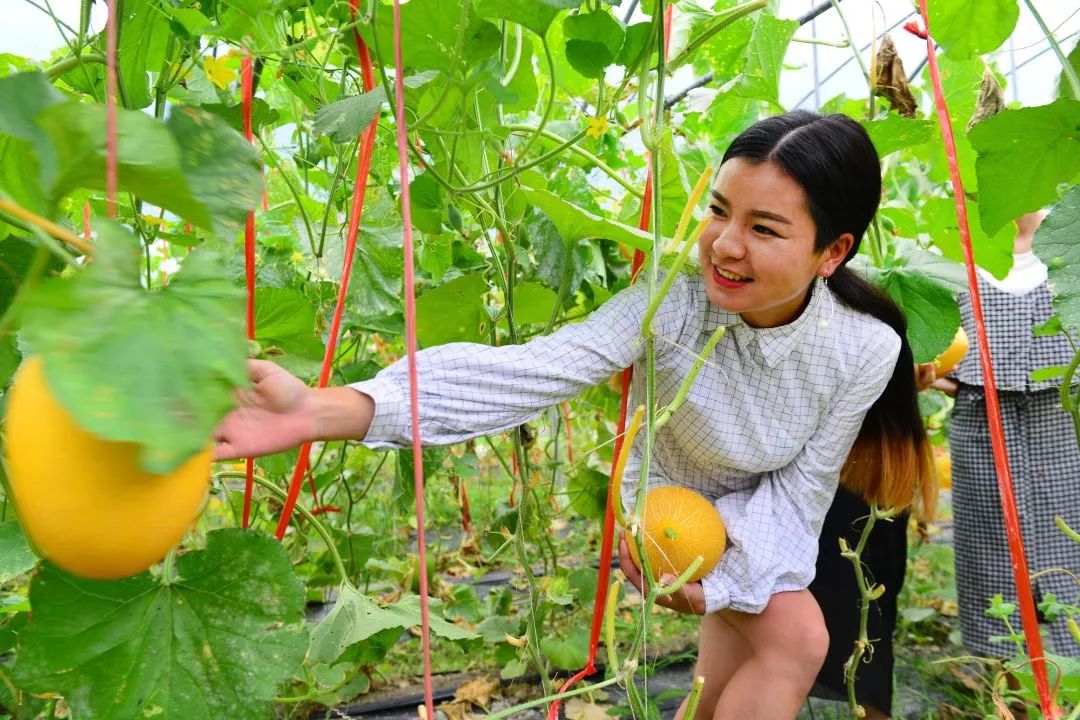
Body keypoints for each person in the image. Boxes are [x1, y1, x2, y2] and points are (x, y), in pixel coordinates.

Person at [214, 111, 937, 720]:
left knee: (741, 661)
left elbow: (800, 493)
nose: (724, 244)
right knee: (798, 640)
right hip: (671, 506)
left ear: (832, 251)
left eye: (765, 228)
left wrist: (721, 580)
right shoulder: (671, 300)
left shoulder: (865, 347)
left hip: (764, 515)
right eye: (719, 211)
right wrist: (318, 409)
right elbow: (533, 371)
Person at [934, 210, 1080, 667]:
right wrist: (943, 373)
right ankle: (1009, 681)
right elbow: (938, 338)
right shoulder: (957, 248)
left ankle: (1069, 676)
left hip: (1063, 415)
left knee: (1070, 538)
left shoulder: (1069, 239)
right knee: (990, 545)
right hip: (982, 417)